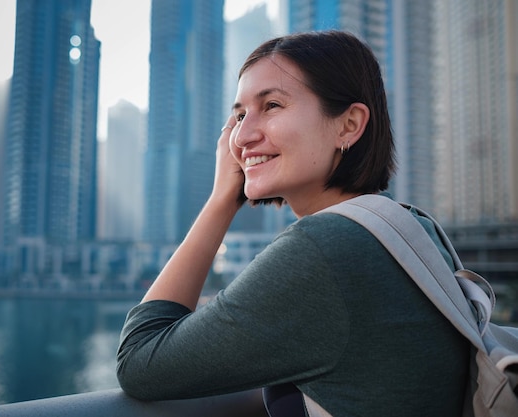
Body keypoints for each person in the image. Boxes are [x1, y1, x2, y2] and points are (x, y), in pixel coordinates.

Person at [116, 30, 470, 416]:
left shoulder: (324, 248)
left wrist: (220, 201)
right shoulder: (411, 225)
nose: (242, 136)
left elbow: (139, 361)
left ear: (349, 125)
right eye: (238, 116)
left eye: (271, 105)